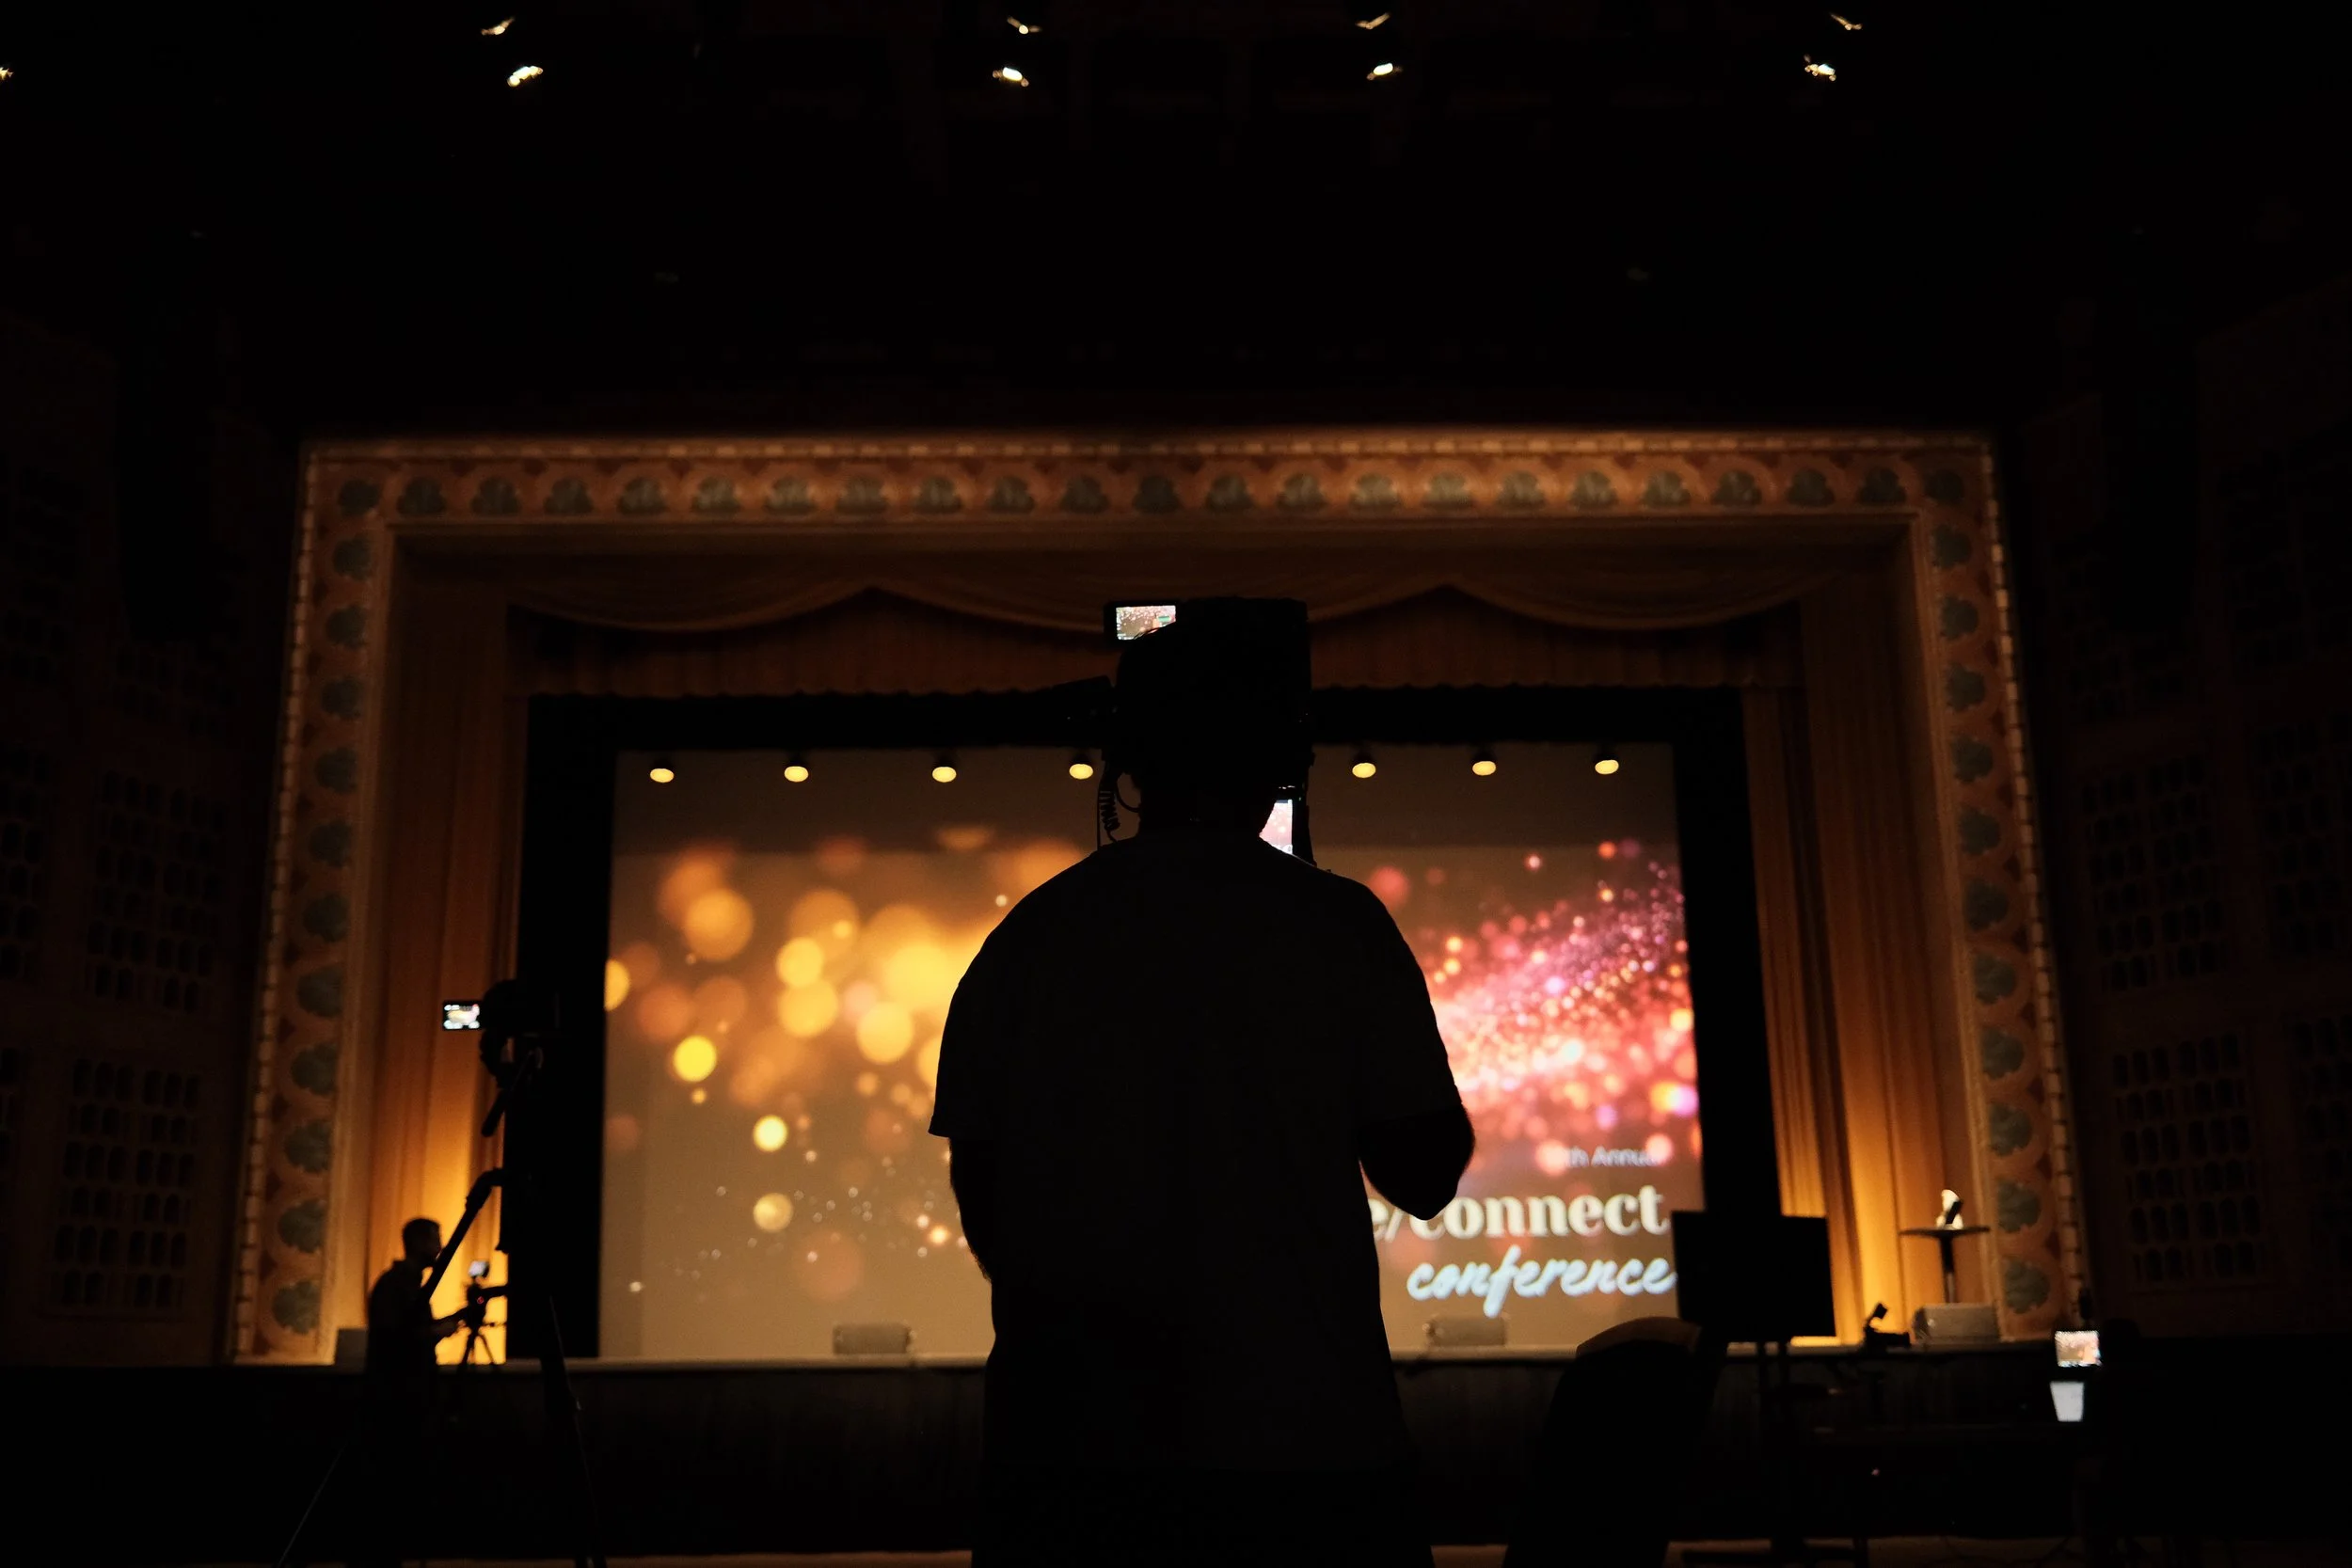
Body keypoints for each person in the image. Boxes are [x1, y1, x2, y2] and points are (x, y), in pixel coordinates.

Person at [930, 611, 1476, 1567]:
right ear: (1280, 758)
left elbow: (983, 1181)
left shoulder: (1033, 935)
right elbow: (1423, 1171)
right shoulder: (1337, 926)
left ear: (1129, 763)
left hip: (1067, 1454)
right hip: (1306, 1445)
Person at [351, 1216, 475, 1568]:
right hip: (396, 1402)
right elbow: (400, 1339)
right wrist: (440, 1331)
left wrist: (450, 1322)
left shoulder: (408, 1286)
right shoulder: (396, 1286)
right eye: (436, 1239)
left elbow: (410, 1331)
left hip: (404, 1399)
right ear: (419, 1241)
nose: (440, 1247)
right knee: (390, 1485)